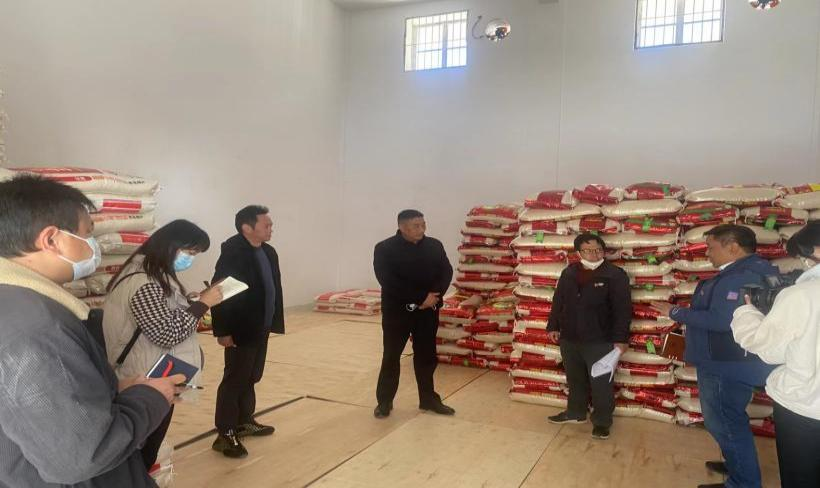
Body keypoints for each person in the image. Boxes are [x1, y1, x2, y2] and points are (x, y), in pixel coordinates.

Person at [0, 175, 184, 487]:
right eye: (87, 234)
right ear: (51, 240)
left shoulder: (17, 305)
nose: (93, 246)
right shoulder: (36, 328)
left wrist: (109, 389)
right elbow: (82, 455)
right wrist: (151, 397)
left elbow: (36, 403)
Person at [650, 224, 776, 488]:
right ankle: (737, 465)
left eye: (711, 247)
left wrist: (675, 313)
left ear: (733, 246)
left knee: (725, 422)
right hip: (730, 360)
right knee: (729, 420)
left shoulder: (740, 277)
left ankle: (743, 482)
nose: (707, 253)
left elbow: (722, 320)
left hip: (725, 364)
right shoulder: (748, 271)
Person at [103, 219, 224, 470]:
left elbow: (161, 315)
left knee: (144, 449)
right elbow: (166, 333)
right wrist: (204, 304)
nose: (190, 259)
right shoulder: (143, 282)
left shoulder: (151, 275)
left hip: (154, 374)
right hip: (145, 378)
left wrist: (192, 302)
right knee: (142, 452)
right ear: (170, 245)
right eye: (189, 252)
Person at [730, 222, 820, 488]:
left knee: (801, 479)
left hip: (805, 408)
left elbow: (768, 349)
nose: (803, 263)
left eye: (803, 256)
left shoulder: (802, 295)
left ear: (816, 250)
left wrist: (746, 312)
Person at [211, 205, 284, 459]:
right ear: (247, 227)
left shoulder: (268, 252)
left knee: (251, 376)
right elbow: (220, 291)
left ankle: (244, 421)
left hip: (260, 326)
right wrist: (223, 331)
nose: (271, 228)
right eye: (266, 225)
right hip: (240, 328)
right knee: (234, 380)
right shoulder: (234, 252)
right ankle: (225, 433)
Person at [545, 233, 631, 440]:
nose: (595, 254)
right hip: (570, 337)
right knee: (575, 378)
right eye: (589, 250)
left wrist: (621, 339)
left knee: (601, 382)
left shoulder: (615, 275)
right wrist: (553, 326)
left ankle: (602, 421)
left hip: (599, 339)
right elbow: (558, 300)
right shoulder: (569, 272)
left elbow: (623, 310)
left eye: (598, 250)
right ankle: (575, 412)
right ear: (578, 253)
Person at [373, 209, 454, 419]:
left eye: (423, 224)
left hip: (428, 312)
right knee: (391, 356)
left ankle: (428, 399)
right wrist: (420, 298)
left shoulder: (434, 245)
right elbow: (388, 281)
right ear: (402, 227)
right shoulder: (384, 248)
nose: (421, 229)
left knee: (426, 356)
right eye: (416, 226)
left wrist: (434, 296)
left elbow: (446, 271)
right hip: (397, 313)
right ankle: (384, 401)